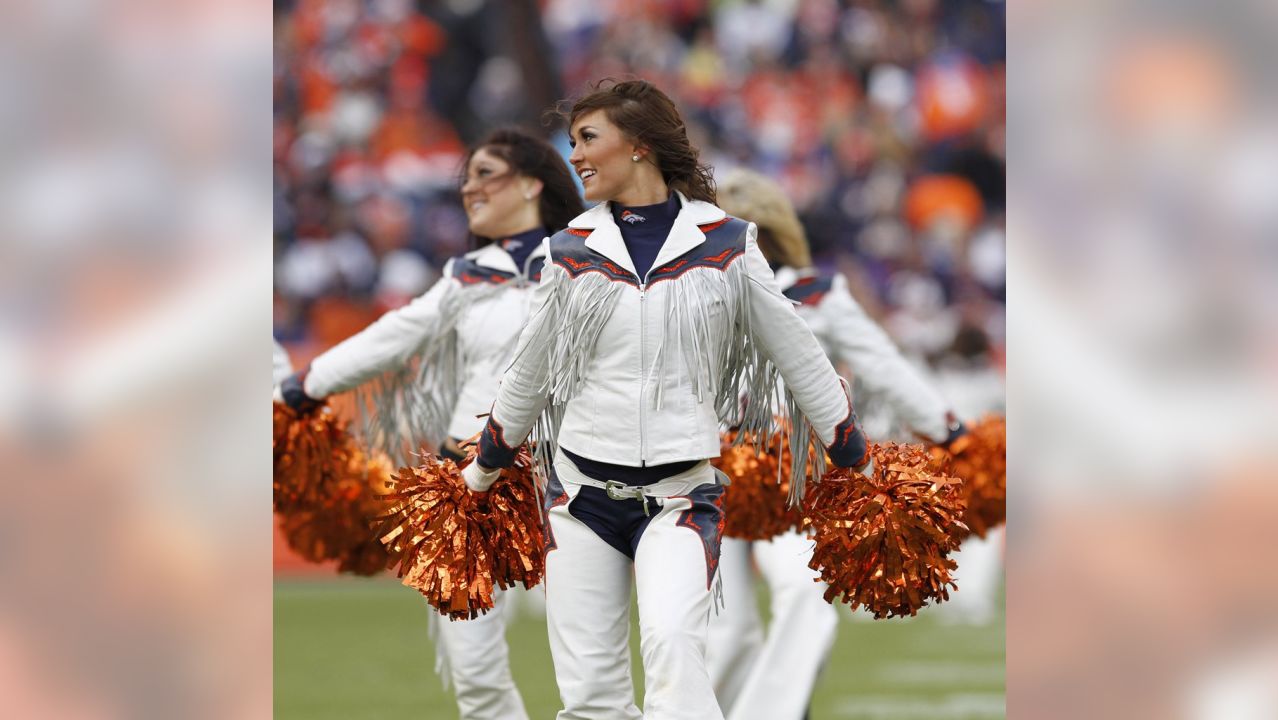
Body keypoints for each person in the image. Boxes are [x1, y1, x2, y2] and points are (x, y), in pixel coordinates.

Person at [462, 79, 872, 720]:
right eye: (572, 143)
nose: (576, 156)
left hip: (680, 496)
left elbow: (801, 358)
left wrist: (861, 466)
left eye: (589, 139)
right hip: (580, 500)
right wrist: (480, 473)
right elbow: (528, 375)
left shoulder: (728, 243)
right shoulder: (568, 251)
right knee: (591, 698)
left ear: (641, 147)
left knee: (676, 653)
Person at [276, 127, 584, 720]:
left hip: (565, 481)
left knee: (588, 666)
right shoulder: (465, 276)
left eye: (484, 174)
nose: (468, 187)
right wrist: (303, 385)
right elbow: (392, 337)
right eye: (465, 177)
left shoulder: (586, 260)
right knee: (475, 677)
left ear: (530, 185)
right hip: (464, 485)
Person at [706, 167, 966, 719]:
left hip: (798, 478)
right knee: (726, 631)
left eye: (741, 229)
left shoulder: (819, 295)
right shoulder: (696, 289)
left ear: (771, 232)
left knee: (805, 597)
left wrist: (949, 430)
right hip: (711, 476)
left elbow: (883, 365)